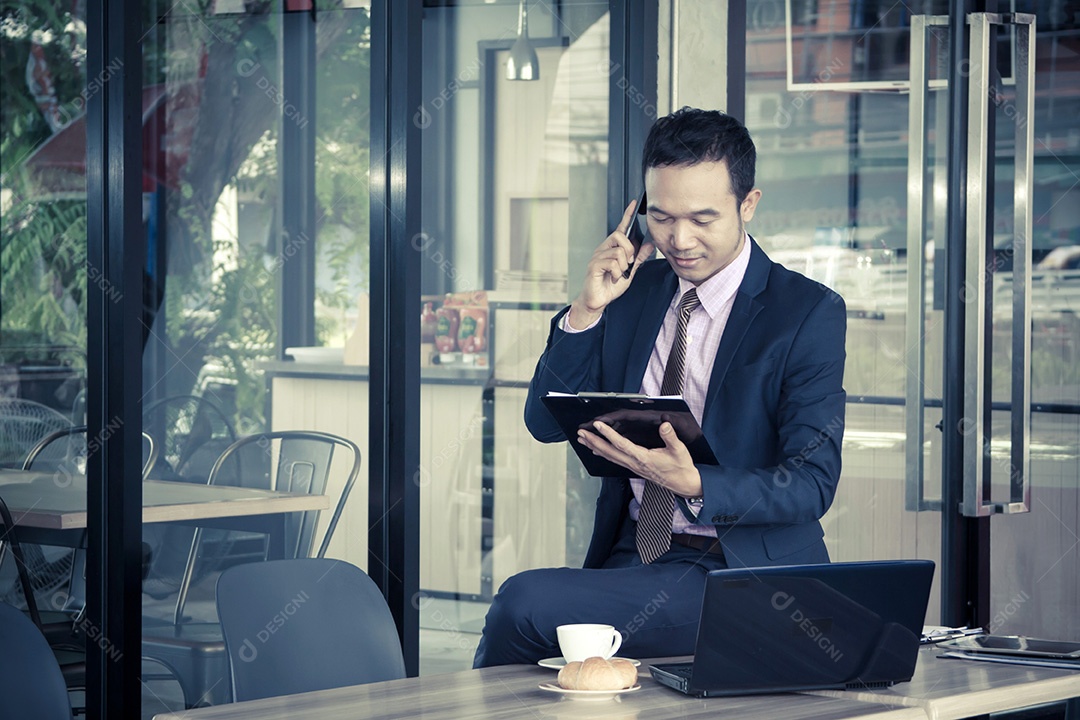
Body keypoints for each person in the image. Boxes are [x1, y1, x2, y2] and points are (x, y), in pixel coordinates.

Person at [473, 108, 847, 667]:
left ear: (748, 204)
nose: (679, 239)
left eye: (702, 218)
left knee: (524, 603)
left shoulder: (805, 312)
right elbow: (545, 425)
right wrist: (585, 312)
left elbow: (812, 484)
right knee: (552, 648)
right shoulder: (635, 292)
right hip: (635, 557)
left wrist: (697, 482)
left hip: (737, 570)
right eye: (661, 217)